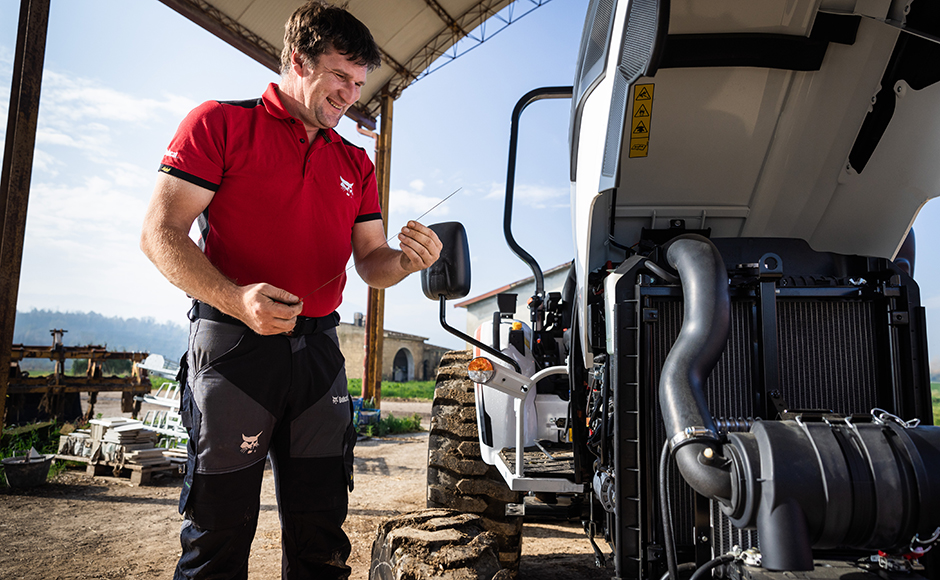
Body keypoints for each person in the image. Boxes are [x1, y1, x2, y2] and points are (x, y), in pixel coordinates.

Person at [139, 2, 441, 578]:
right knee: (217, 535)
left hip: (319, 356)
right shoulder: (219, 123)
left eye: (359, 83)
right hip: (232, 349)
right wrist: (235, 299)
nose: (352, 96)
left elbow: (372, 262)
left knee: (321, 537)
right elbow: (160, 233)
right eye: (340, 78)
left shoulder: (357, 161)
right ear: (299, 60)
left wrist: (405, 260)